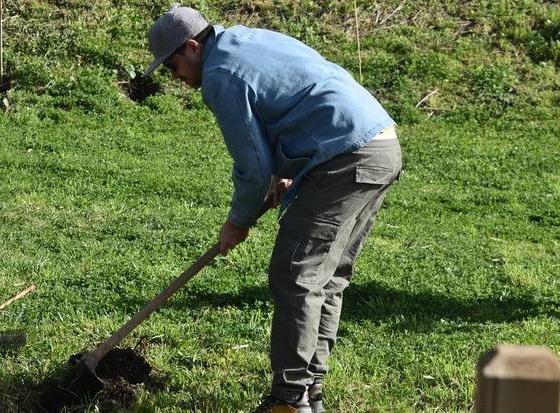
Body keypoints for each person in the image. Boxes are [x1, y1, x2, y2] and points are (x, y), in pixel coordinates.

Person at [146, 4, 402, 413]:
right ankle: (308, 394)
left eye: (172, 66)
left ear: (192, 46)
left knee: (296, 275)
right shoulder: (248, 39)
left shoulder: (219, 76)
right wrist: (291, 166)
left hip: (345, 156)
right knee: (326, 276)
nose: (175, 78)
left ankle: (288, 400)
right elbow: (296, 93)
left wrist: (238, 221)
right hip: (379, 144)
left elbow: (251, 165)